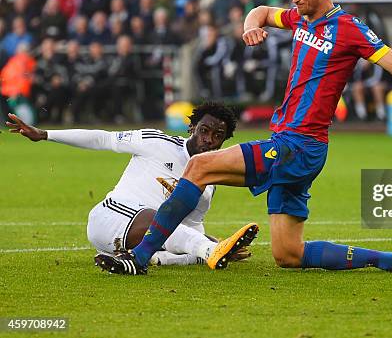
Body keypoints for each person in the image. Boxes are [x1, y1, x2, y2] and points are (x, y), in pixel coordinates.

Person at [97, 0, 392, 275]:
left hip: (296, 145)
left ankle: (141, 258)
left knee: (199, 165)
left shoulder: (349, 29)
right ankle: (383, 260)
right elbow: (260, 11)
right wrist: (250, 27)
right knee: (288, 254)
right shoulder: (300, 18)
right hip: (300, 149)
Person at [6, 102, 255, 270]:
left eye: (217, 135)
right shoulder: (157, 141)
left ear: (225, 140)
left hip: (139, 240)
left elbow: (189, 228)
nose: (208, 140)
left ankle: (164, 258)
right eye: (204, 130)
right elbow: (104, 138)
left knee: (176, 231)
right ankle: (208, 251)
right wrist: (46, 134)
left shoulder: (208, 185)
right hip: (109, 217)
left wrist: (216, 242)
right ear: (192, 127)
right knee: (164, 221)